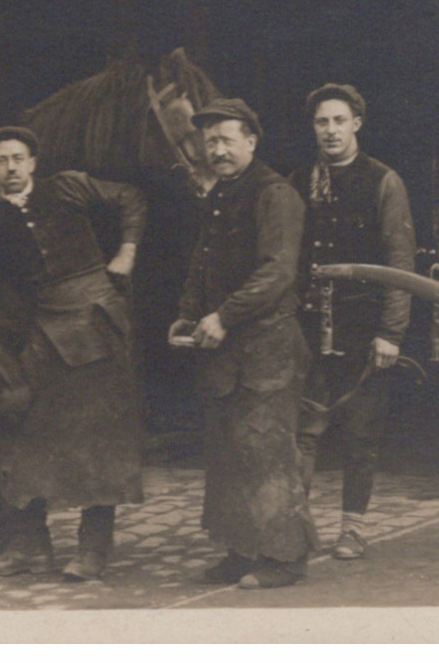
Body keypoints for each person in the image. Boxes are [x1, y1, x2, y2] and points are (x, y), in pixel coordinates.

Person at [0, 125, 147, 582]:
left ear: (32, 163)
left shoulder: (66, 188)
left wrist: (126, 252)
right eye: (1, 160)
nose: (11, 168)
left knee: (100, 443)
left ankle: (93, 551)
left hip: (96, 327)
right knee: (26, 441)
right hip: (41, 338)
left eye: (18, 158)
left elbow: (131, 197)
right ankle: (31, 548)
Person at [170, 98, 318, 589]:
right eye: (210, 142)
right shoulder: (219, 196)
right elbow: (202, 263)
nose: (217, 150)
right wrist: (188, 315)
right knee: (228, 453)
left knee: (266, 450)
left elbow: (278, 271)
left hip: (268, 346)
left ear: (251, 141)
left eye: (226, 140)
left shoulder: (275, 195)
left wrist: (224, 316)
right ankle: (240, 550)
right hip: (226, 349)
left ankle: (284, 557)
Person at [290, 83, 416, 561]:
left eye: (339, 121)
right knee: (304, 428)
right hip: (309, 323)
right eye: (322, 122)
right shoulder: (300, 181)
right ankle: (294, 527)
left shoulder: (384, 181)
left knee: (360, 432)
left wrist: (391, 333)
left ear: (357, 124)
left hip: (364, 325)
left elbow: (399, 264)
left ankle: (353, 529)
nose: (330, 131)